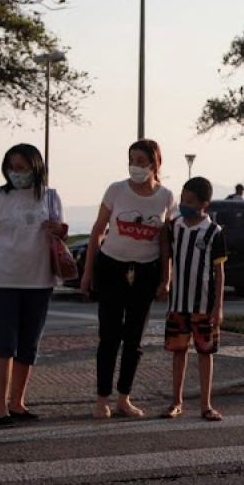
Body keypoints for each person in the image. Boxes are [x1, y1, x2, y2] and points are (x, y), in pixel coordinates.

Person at [80, 139, 174, 419]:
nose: (136, 165)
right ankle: (101, 399)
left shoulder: (165, 196)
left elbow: (165, 241)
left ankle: (124, 397)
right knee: (108, 337)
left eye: (142, 160)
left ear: (155, 163)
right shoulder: (116, 190)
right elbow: (98, 230)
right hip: (112, 267)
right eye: (132, 159)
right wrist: (88, 271)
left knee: (134, 339)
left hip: (145, 271)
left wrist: (165, 279)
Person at [0, 144, 66, 426]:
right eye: (12, 167)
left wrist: (59, 230)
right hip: (1, 278)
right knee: (4, 344)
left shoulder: (50, 197)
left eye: (22, 167)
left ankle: (18, 402)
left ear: (35, 167)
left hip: (38, 280)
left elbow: (60, 232)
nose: (17, 173)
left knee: (28, 344)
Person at [160, 176, 228, 422]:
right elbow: (165, 253)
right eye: (182, 199)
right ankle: (176, 401)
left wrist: (218, 307)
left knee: (205, 352)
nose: (184, 204)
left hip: (203, 305)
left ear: (204, 204)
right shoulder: (175, 227)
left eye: (190, 201)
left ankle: (206, 404)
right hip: (178, 304)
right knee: (178, 351)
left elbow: (219, 272)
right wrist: (165, 281)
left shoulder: (213, 232)